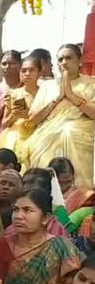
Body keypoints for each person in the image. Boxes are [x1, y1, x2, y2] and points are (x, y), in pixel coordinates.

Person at [21, 44, 95, 188]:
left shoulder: (92, 83)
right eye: (60, 59)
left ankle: (81, 190)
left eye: (68, 58)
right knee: (40, 142)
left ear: (80, 61)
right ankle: (44, 191)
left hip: (81, 126)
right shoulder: (47, 86)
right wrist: (57, 99)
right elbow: (34, 119)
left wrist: (72, 96)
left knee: (69, 131)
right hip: (48, 129)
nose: (64, 63)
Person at [0, 55, 41, 162]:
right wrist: (13, 115)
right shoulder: (14, 94)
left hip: (38, 131)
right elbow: (4, 123)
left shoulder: (44, 92)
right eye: (24, 71)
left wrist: (27, 115)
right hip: (16, 133)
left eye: (32, 70)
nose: (27, 74)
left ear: (39, 72)